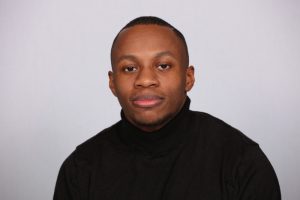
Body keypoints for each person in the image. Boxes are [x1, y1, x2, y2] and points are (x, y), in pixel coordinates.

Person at [53, 16, 281, 200]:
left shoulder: (241, 162)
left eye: (163, 65)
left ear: (188, 77)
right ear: (112, 83)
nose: (145, 79)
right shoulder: (81, 169)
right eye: (129, 68)